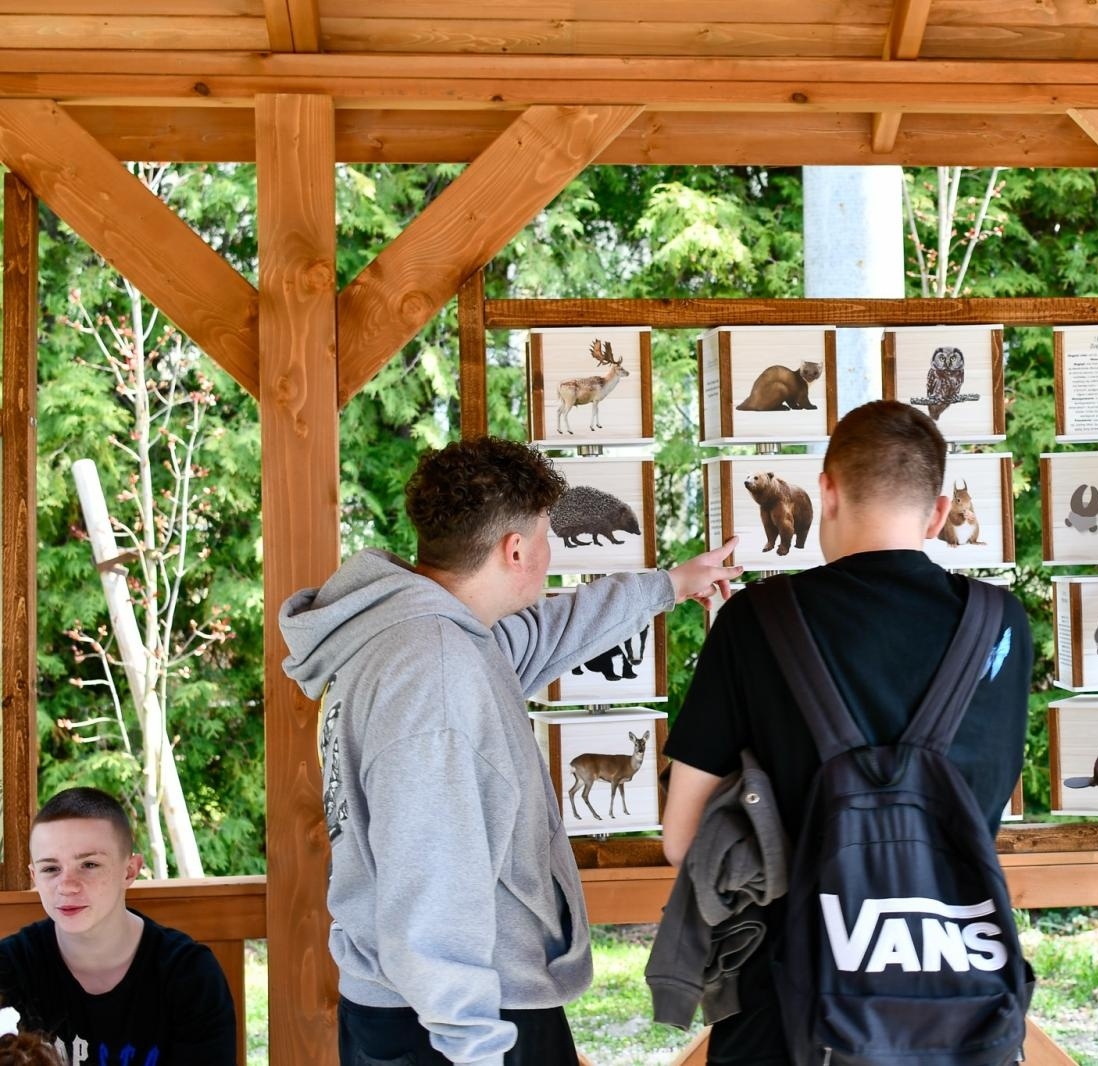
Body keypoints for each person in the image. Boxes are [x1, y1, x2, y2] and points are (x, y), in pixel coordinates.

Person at [279, 435, 738, 1066]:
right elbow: (431, 878)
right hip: (458, 1023)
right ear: (515, 548)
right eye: (548, 536)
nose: (551, 555)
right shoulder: (435, 671)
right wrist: (474, 1043)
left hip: (427, 1007)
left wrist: (671, 586)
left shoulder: (426, 640)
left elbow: (547, 634)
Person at [660, 400, 1031, 1065]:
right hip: (955, 1008)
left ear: (825, 491)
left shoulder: (756, 623)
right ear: (939, 512)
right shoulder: (1000, 623)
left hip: (786, 1012)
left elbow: (681, 840)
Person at [0, 787, 236, 1065]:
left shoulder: (188, 975)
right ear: (34, 876)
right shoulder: (10, 968)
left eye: (89, 864)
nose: (67, 886)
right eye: (51, 869)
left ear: (130, 871)